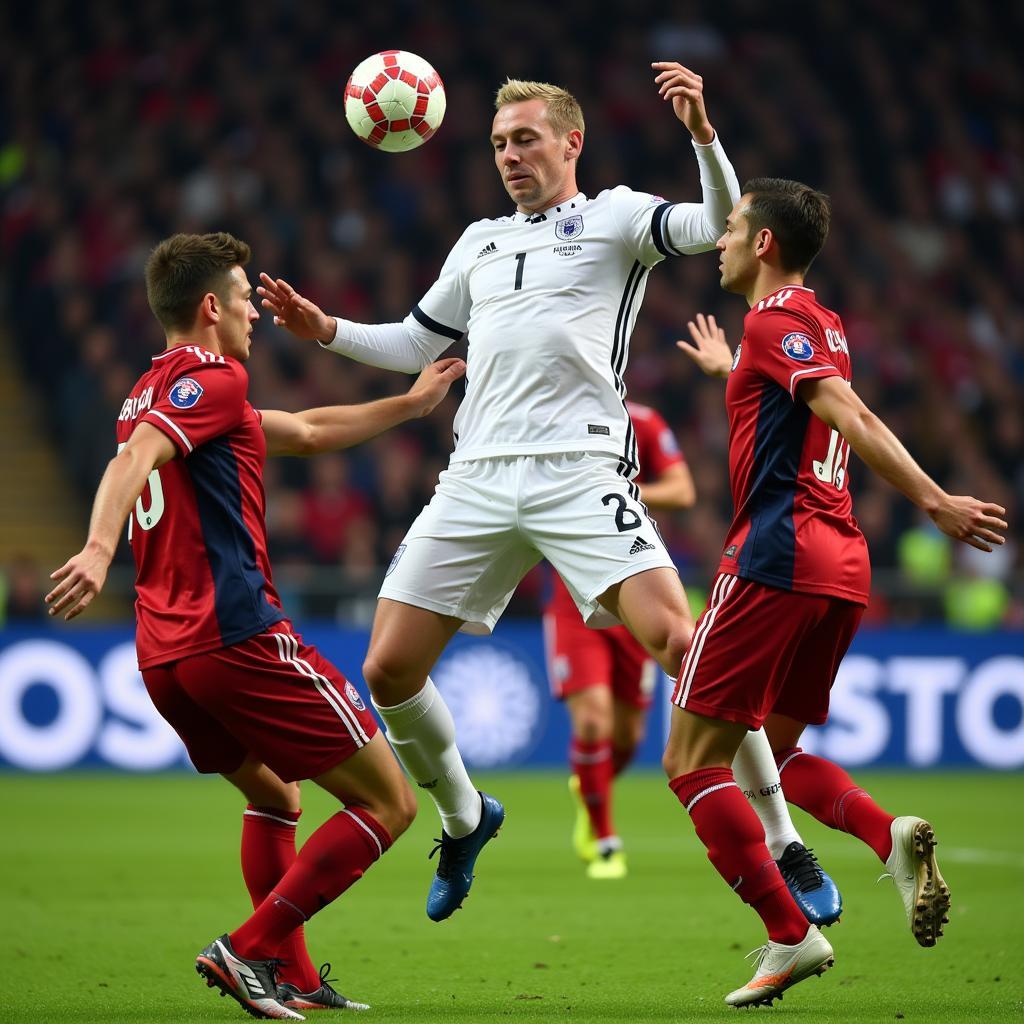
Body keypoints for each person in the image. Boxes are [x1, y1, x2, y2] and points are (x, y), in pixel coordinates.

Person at [258, 64, 832, 925]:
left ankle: (785, 841)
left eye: (525, 139)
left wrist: (703, 134)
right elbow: (417, 342)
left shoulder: (620, 217)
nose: (509, 156)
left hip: (580, 471)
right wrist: (326, 330)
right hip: (479, 474)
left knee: (686, 647)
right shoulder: (478, 241)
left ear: (572, 142)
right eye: (498, 144)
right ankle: (463, 817)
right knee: (387, 668)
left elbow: (718, 222)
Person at [46, 232, 466, 1021]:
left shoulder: (152, 391)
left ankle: (294, 975)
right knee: (391, 805)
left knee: (276, 798)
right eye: (243, 300)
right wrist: (100, 549)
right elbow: (132, 461)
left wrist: (410, 407)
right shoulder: (213, 377)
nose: (253, 315)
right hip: (236, 635)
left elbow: (304, 432)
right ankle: (248, 947)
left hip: (164, 655)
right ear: (210, 307)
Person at [670, 179, 1008, 1007]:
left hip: (773, 560)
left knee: (690, 763)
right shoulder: (820, 325)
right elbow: (799, 410)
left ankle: (791, 935)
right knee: (772, 758)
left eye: (732, 228)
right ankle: (884, 835)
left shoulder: (773, 321)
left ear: (764, 245)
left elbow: (844, 412)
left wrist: (933, 501)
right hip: (839, 567)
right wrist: (731, 369)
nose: (718, 239)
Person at [547, 400, 695, 880]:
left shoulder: (646, 421)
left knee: (628, 736)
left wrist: (615, 491)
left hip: (636, 586)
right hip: (573, 595)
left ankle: (591, 788)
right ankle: (605, 838)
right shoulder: (554, 417)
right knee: (593, 722)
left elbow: (683, 491)